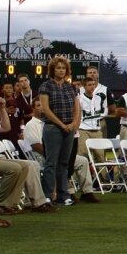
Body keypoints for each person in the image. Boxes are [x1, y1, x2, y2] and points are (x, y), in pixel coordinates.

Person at [37, 56, 81, 208]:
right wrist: (62, 124)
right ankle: (47, 196)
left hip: (70, 129)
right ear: (52, 70)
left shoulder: (71, 88)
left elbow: (77, 108)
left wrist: (74, 124)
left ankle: (63, 195)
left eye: (63, 68)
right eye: (58, 68)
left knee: (64, 163)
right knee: (51, 162)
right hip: (53, 128)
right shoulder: (46, 86)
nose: (61, 71)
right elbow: (45, 109)